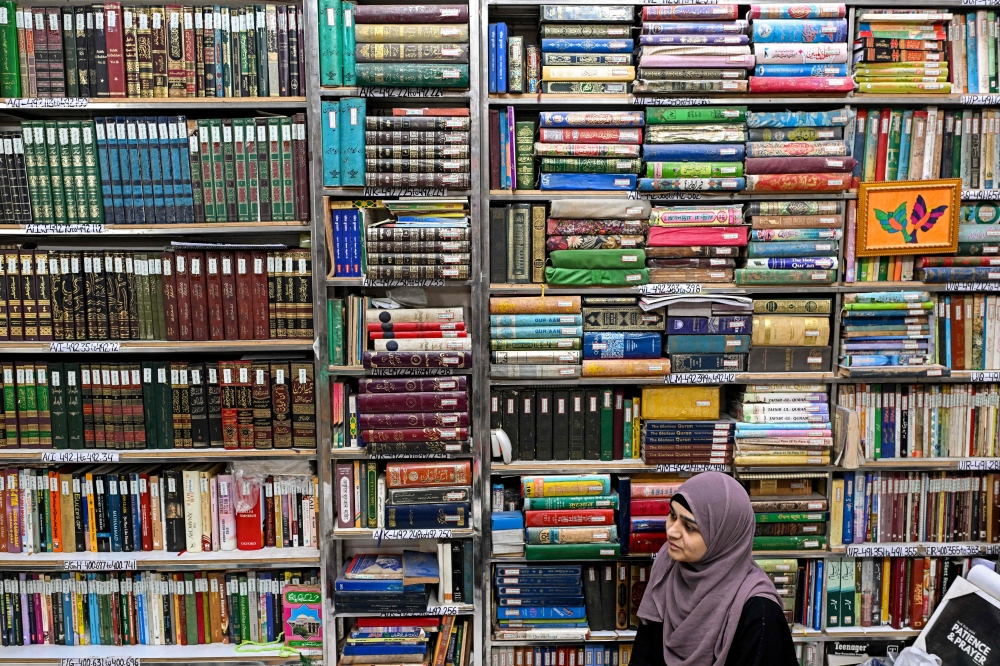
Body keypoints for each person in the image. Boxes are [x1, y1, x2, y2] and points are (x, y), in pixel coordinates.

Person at [631, 472, 798, 666]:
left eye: (689, 527)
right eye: (672, 515)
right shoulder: (667, 567)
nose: (672, 531)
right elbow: (642, 657)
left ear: (723, 537)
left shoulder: (759, 612)